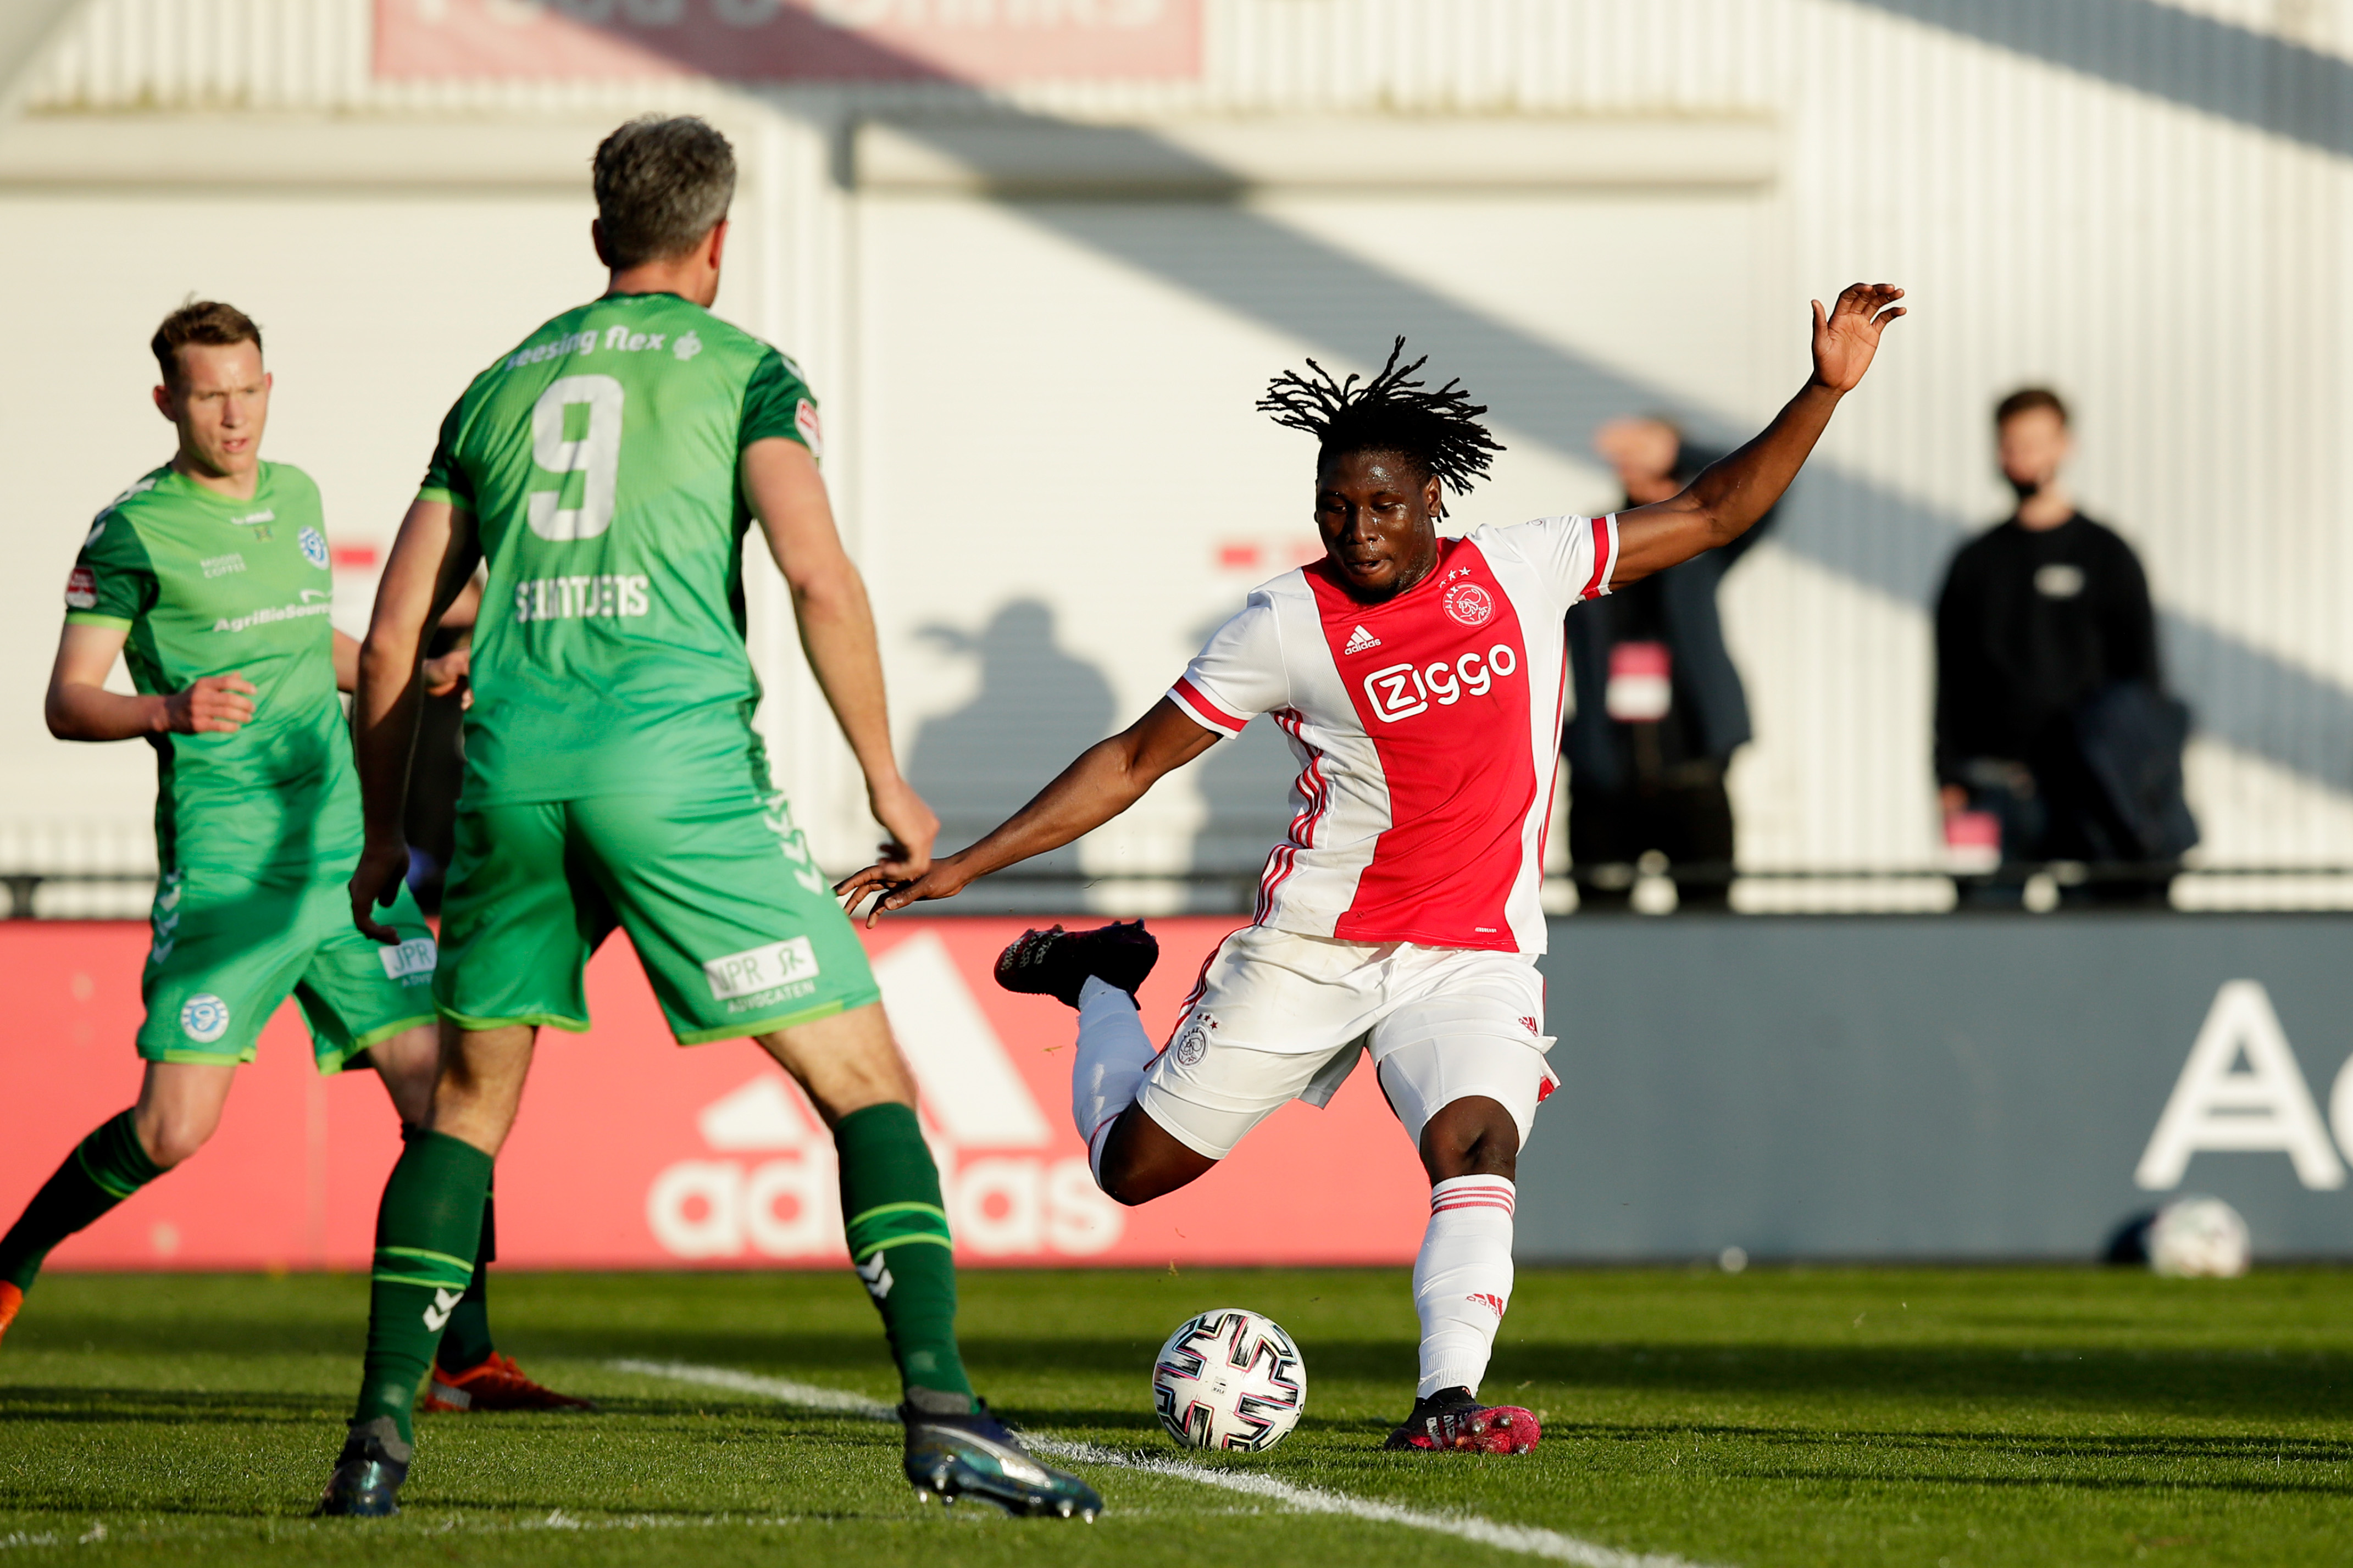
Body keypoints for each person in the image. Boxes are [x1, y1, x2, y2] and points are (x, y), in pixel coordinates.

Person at [842, 285, 1906, 1453]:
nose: (1355, 531)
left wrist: (1823, 387)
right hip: (1312, 949)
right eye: (1334, 508)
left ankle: (1443, 1399)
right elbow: (1134, 756)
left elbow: (1711, 510)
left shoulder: (1522, 566)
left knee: (1476, 1145)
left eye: (1380, 506)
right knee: (1130, 1170)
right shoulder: (1283, 623)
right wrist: (968, 865)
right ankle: (1099, 979)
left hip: (1468, 950)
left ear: (1432, 500)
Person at [315, 116, 1101, 1522]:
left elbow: (388, 638)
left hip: (508, 778)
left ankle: (375, 1438)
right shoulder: (746, 371)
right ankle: (938, 1406)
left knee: (466, 1111)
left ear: (600, 231)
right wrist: (885, 776)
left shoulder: (496, 384)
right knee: (868, 1084)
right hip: (674, 774)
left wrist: (385, 829)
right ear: (717, 241)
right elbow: (815, 573)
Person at [0, 301, 581, 1417]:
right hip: (227, 877)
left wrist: (395, 671)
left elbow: (295, 638)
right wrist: (165, 706)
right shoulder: (132, 531)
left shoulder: (299, 497)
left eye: (250, 388)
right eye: (210, 394)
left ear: (271, 383)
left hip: (343, 866)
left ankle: (467, 1355)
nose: (235, 415)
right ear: (168, 401)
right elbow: (66, 701)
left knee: (447, 1092)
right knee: (174, 1127)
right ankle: (12, 1261)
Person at [1934, 388, 2187, 905]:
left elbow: (2143, 682)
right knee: (1984, 941)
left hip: (2089, 790)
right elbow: (1949, 682)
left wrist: (2145, 788)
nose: (2023, 457)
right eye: (2011, 444)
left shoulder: (2107, 556)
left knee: (2099, 941)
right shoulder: (1975, 563)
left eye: (2036, 442)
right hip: (1993, 790)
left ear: (2064, 446)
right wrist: (1947, 781)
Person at [1566, 417, 1779, 911]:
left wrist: (1681, 452)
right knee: (1602, 928)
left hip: (1694, 770)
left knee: (1710, 926)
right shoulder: (1589, 544)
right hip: (1607, 778)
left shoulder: (1701, 542)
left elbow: (1765, 486)